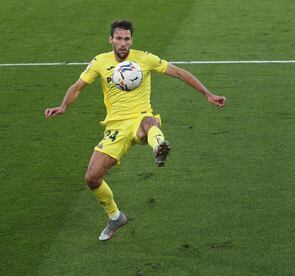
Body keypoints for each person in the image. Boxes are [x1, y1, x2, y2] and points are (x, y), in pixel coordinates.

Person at [44, 19, 226, 241]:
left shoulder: (144, 59)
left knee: (150, 122)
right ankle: (115, 217)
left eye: (127, 39)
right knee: (92, 178)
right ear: (111, 39)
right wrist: (63, 105)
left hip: (140, 119)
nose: (123, 43)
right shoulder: (100, 62)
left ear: (132, 40)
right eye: (118, 38)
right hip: (115, 127)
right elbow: (77, 86)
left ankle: (159, 146)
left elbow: (178, 72)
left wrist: (207, 93)